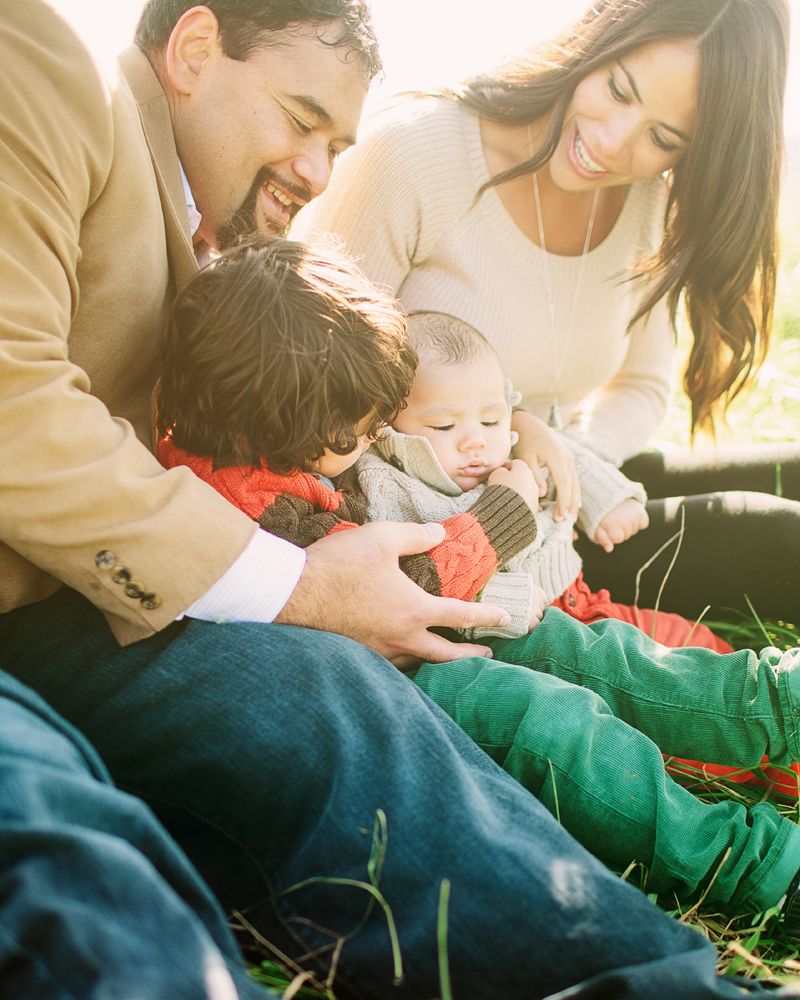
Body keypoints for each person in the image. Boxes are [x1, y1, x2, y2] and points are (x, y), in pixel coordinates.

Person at [1, 2, 799, 997]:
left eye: (335, 142)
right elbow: (20, 398)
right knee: (356, 707)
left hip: (466, 507)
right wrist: (296, 582)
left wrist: (537, 444)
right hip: (114, 594)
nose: (319, 170)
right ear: (196, 49)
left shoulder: (224, 212)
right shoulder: (51, 67)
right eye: (302, 120)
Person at [155, 233, 800, 918]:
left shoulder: (276, 441)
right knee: (548, 724)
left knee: (585, 651)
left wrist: (512, 425)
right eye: (360, 427)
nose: (371, 436)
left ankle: (775, 703)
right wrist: (504, 515)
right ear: (294, 417)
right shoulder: (246, 494)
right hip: (366, 680)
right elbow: (403, 591)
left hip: (406, 642)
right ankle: (754, 868)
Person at [294, 0, 800, 622]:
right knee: (782, 540)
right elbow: (310, 400)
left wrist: (559, 458)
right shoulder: (413, 155)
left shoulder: (645, 202)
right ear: (593, 41)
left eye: (663, 138)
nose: (614, 142)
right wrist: (505, 440)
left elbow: (640, 385)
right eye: (617, 89)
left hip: (558, 494)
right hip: (458, 527)